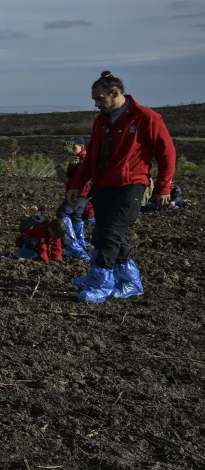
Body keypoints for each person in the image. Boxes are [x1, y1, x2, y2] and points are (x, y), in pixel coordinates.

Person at [66, 71, 176, 303]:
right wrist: (77, 184)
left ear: (115, 93)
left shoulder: (146, 117)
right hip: (104, 186)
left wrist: (164, 186)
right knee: (106, 234)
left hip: (131, 186)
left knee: (111, 233)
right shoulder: (102, 122)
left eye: (100, 98)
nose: (96, 104)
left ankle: (101, 282)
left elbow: (166, 153)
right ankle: (130, 281)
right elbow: (92, 156)